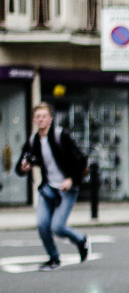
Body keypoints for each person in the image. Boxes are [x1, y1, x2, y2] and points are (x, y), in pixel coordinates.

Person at [15, 102, 91, 271]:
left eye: (44, 116)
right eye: (38, 116)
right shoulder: (33, 141)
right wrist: (23, 168)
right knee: (42, 225)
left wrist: (71, 179)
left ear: (50, 119)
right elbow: (20, 166)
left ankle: (81, 240)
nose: (40, 119)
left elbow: (81, 160)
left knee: (57, 227)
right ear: (34, 119)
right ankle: (54, 259)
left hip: (68, 188)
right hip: (48, 188)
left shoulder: (60, 136)